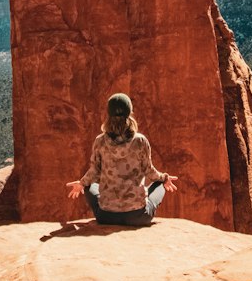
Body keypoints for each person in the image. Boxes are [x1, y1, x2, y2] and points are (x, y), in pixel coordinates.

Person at [66, 93, 178, 226]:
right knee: (160, 183)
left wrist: (81, 183)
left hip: (106, 217)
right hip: (138, 216)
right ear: (129, 113)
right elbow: (150, 172)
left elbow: (94, 172)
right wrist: (165, 178)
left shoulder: (100, 141)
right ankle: (155, 192)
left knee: (89, 185)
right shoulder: (140, 140)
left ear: (108, 114)